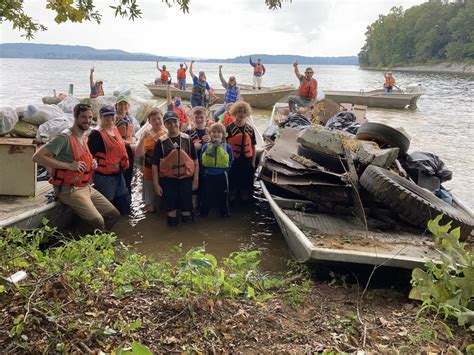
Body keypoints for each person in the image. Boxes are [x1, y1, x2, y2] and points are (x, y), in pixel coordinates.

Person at [32, 103, 120, 232]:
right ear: (76, 117)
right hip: (69, 190)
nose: (88, 121)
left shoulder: (83, 136)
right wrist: (68, 166)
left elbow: (81, 159)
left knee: (113, 215)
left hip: (85, 186)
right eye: (84, 117)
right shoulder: (64, 138)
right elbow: (37, 157)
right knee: (97, 221)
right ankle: (92, 248)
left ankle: (92, 241)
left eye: (90, 117)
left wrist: (92, 164)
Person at [152, 111, 199, 226]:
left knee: (186, 211)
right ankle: (171, 234)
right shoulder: (160, 142)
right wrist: (156, 184)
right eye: (168, 122)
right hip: (168, 182)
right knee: (171, 211)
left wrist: (195, 179)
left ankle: (188, 237)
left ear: (179, 122)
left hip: (186, 180)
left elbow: (195, 161)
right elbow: (155, 165)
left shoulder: (188, 139)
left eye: (174, 121)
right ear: (165, 124)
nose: (172, 125)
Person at [87, 105, 130, 215]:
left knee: (124, 204)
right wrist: (88, 176)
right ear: (101, 117)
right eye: (106, 116)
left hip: (119, 175)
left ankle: (124, 229)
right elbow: (88, 155)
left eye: (112, 115)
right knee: (107, 208)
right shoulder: (96, 134)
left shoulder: (114, 129)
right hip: (104, 178)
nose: (110, 118)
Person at [135, 108, 166, 213]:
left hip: (163, 173)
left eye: (159, 118)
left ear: (162, 118)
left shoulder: (167, 133)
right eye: (154, 119)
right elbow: (139, 154)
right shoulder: (147, 135)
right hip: (149, 173)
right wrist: (143, 138)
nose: (157, 121)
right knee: (150, 205)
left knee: (162, 202)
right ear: (149, 121)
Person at [200, 123, 234, 217]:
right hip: (208, 175)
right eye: (214, 132)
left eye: (219, 132)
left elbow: (231, 160)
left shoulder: (227, 147)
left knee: (223, 197)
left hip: (222, 175)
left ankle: (224, 214)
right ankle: (204, 213)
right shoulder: (205, 147)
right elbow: (201, 160)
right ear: (210, 134)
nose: (216, 134)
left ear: (223, 134)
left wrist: (226, 171)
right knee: (206, 196)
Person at [226, 102, 257, 204]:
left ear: (247, 113)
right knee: (232, 187)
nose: (241, 114)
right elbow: (224, 146)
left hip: (247, 161)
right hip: (233, 161)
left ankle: (244, 205)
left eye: (244, 112)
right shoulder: (228, 128)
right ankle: (231, 204)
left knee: (245, 187)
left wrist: (253, 162)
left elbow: (253, 147)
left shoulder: (250, 129)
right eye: (239, 111)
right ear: (235, 112)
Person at [187, 106, 210, 209]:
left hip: (206, 165)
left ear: (206, 118)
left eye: (201, 117)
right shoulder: (187, 133)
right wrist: (192, 147)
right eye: (197, 117)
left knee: (205, 187)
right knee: (193, 189)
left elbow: (222, 146)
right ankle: (194, 207)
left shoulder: (211, 132)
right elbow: (177, 146)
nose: (199, 119)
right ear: (192, 118)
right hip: (193, 165)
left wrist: (211, 141)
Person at [115, 95, 137, 195]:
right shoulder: (114, 119)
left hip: (129, 150)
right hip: (119, 151)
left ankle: (128, 196)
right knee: (121, 175)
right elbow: (113, 138)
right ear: (116, 106)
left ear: (128, 106)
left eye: (125, 104)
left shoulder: (129, 119)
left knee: (129, 174)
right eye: (120, 104)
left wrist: (135, 140)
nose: (123, 106)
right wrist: (131, 143)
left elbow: (133, 135)